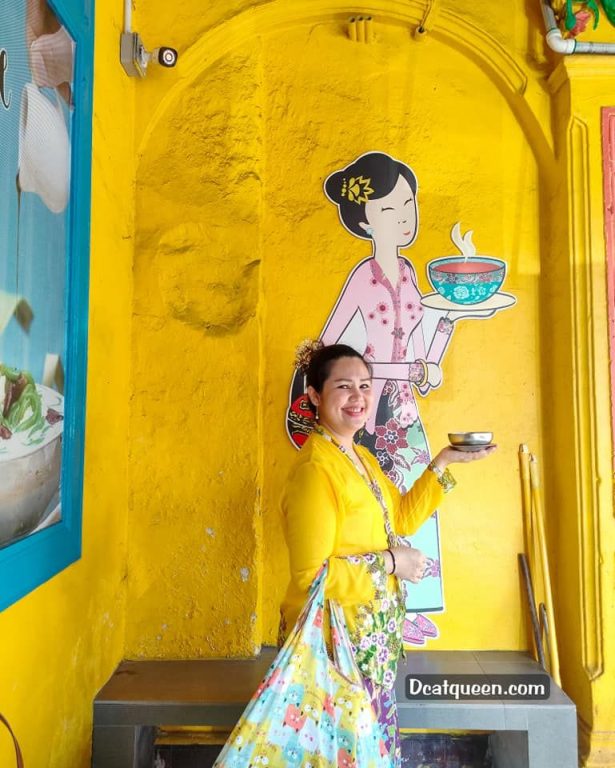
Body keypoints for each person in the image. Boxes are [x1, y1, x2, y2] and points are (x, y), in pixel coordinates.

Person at [287, 151, 499, 646]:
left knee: (401, 502)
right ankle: (398, 597)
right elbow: (331, 339)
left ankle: (410, 603)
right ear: (364, 219)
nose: (404, 219)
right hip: (334, 637)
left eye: (409, 206)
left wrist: (448, 322)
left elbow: (401, 516)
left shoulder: (409, 274)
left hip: (403, 406)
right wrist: (378, 378)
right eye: (391, 209)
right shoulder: (317, 469)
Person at [280, 342, 495, 766]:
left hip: (370, 648)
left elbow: (400, 518)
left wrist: (442, 461)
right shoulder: (315, 470)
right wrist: (394, 564)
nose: (359, 397)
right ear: (315, 395)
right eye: (344, 386)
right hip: (333, 648)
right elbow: (312, 575)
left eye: (365, 385)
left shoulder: (360, 458)